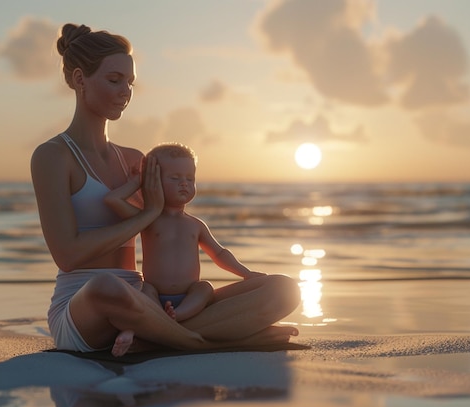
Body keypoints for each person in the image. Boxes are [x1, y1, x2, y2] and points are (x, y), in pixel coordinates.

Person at [30, 23, 301, 357]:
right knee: (107, 288)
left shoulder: (134, 160)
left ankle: (150, 340)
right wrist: (147, 214)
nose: (125, 92)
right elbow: (67, 255)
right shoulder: (53, 156)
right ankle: (215, 340)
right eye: (114, 80)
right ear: (79, 79)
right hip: (86, 305)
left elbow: (167, 223)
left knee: (282, 289)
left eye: (129, 83)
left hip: (151, 299)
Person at [106, 142, 266, 321]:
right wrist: (139, 181)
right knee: (144, 288)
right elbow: (113, 200)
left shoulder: (195, 225)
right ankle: (156, 319)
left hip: (189, 297)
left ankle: (176, 316)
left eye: (190, 179)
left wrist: (246, 273)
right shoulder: (148, 220)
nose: (184, 183)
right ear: (154, 181)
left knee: (204, 287)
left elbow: (219, 253)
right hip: (155, 294)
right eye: (174, 178)